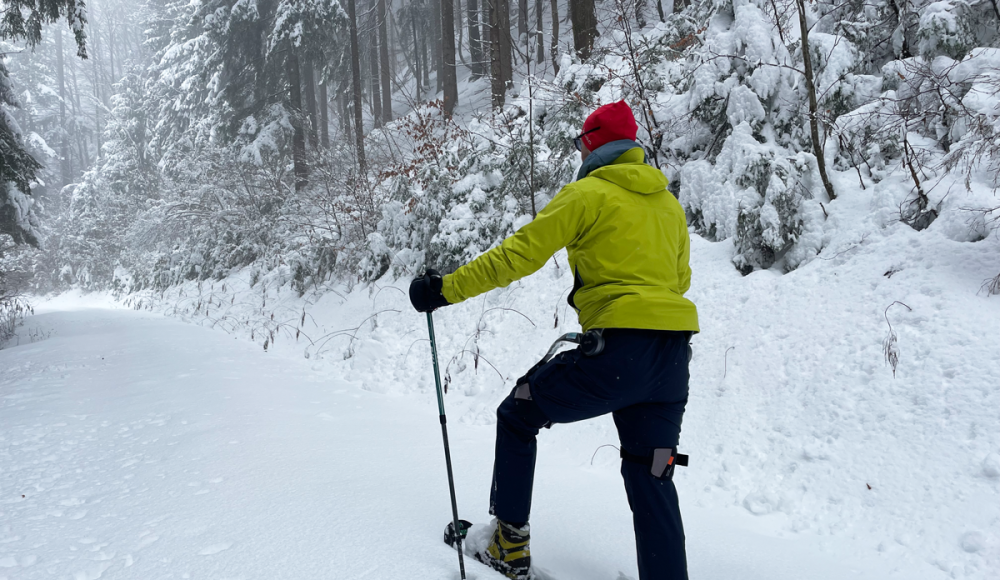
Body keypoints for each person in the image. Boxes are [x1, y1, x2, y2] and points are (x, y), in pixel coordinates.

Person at [409, 100, 698, 580]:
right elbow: (679, 280)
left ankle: (508, 544)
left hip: (617, 352)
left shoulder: (588, 194)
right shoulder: (669, 205)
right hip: (671, 361)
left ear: (592, 144)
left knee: (519, 412)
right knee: (652, 471)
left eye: (583, 142)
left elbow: (519, 254)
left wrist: (445, 289)